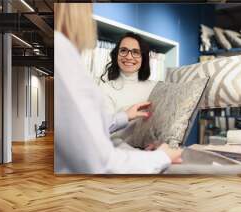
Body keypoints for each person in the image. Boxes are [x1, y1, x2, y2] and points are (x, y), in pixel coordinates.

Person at [54, 3, 182, 174]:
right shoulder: (67, 56)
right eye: (124, 51)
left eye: (135, 52)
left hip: (140, 156)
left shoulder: (157, 88)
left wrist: (126, 117)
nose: (129, 56)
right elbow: (99, 155)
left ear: (144, 58)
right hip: (122, 159)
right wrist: (161, 157)